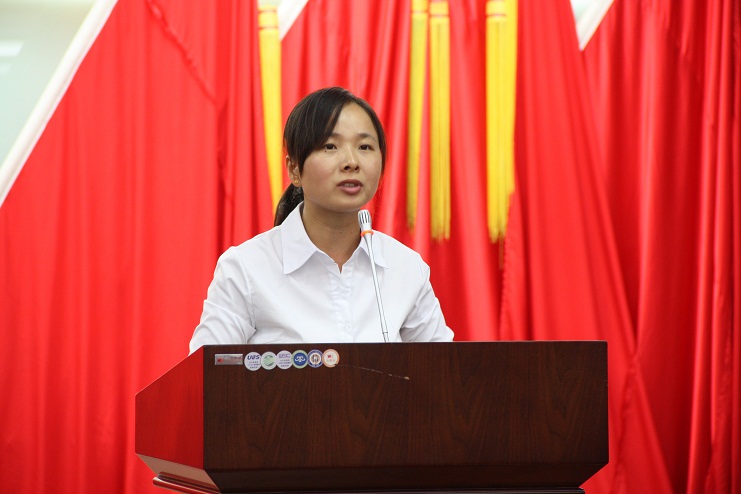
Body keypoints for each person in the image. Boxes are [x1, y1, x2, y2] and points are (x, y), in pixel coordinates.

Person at [189, 87, 453, 352]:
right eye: (330, 146)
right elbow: (205, 371)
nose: (351, 162)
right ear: (294, 169)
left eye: (365, 147)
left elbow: (445, 369)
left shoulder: (406, 268)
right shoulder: (246, 269)